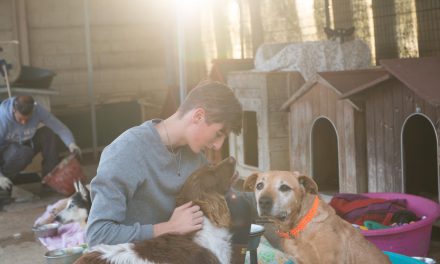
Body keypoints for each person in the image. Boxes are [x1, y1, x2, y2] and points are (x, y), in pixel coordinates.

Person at [86, 81, 243, 247]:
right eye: (219, 134)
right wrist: (168, 228)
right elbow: (97, 235)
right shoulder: (127, 151)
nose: (218, 146)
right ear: (198, 116)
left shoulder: (196, 159)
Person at [0, 95, 80, 207]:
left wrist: (71, 143)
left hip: (26, 143)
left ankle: (49, 180)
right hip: (5, 152)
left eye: (27, 119)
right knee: (23, 152)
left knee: (47, 133)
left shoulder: (37, 110)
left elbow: (59, 127)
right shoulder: (2, 118)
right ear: (14, 111)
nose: (24, 123)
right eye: (20, 119)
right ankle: (4, 184)